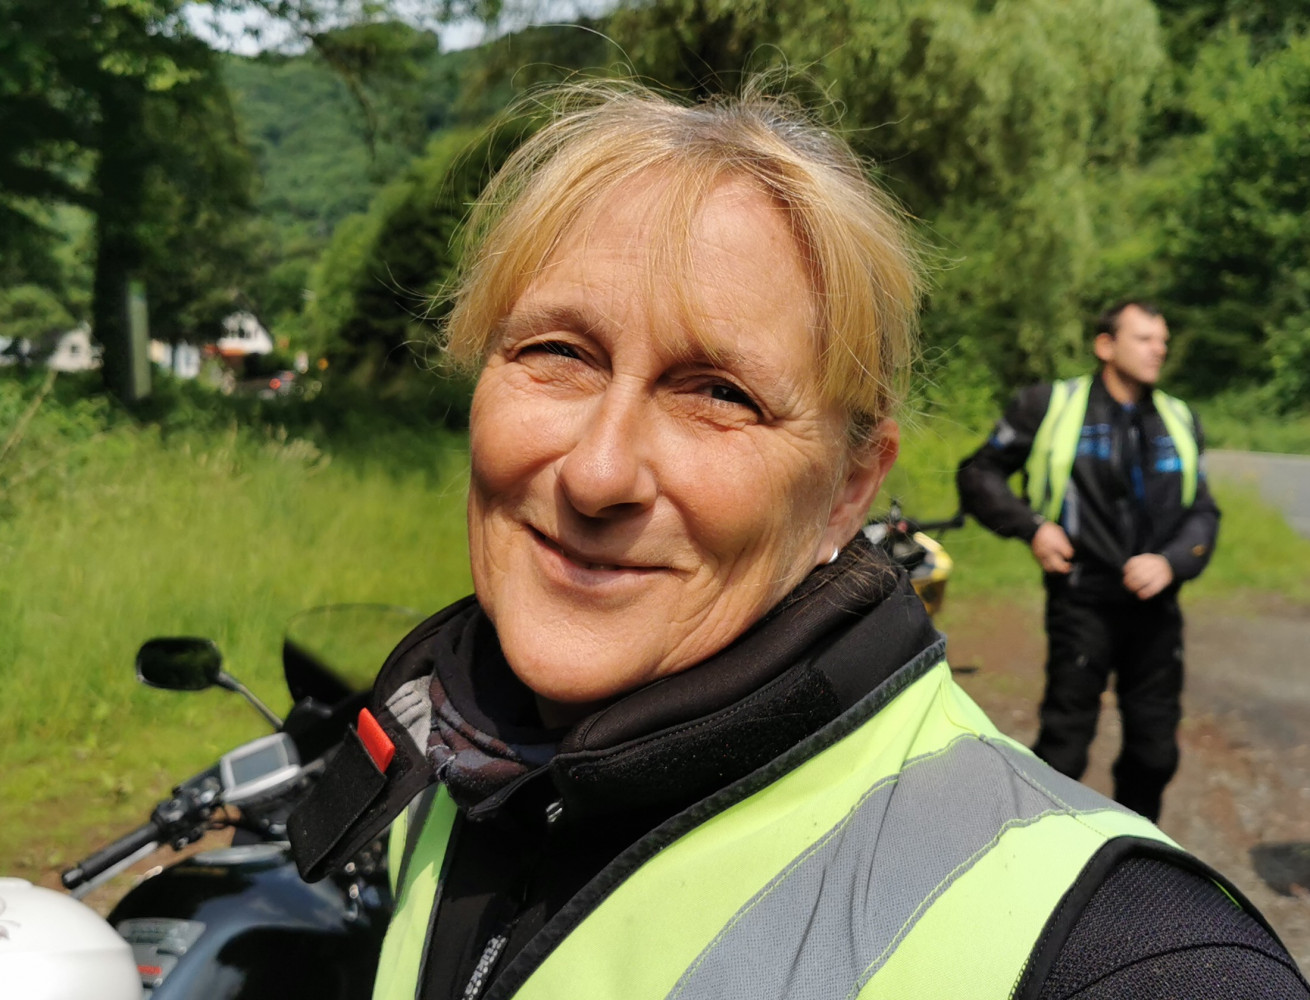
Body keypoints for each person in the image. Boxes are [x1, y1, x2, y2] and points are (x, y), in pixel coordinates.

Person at [288, 87, 1305, 1000]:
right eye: (557, 351)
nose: (597, 473)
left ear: (848, 490)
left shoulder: (1124, 956)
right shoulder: (456, 757)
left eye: (719, 393)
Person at [957, 301, 1220, 825]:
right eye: (1144, 339)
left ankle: (1137, 849)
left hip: (1156, 608)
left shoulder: (1178, 417)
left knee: (1154, 754)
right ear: (1106, 346)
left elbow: (1203, 511)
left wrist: (1171, 562)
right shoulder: (1049, 406)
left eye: (1163, 340)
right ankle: (1047, 849)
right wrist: (1032, 527)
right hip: (1081, 601)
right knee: (1065, 746)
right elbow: (979, 474)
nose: (1159, 350)